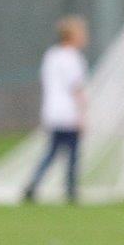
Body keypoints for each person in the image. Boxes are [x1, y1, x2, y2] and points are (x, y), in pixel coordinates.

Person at [23, 15, 89, 204]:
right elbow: (76, 88)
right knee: (73, 153)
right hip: (68, 112)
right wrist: (83, 113)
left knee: (51, 152)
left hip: (51, 111)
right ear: (73, 36)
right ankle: (71, 191)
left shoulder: (51, 55)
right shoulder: (73, 58)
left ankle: (34, 184)